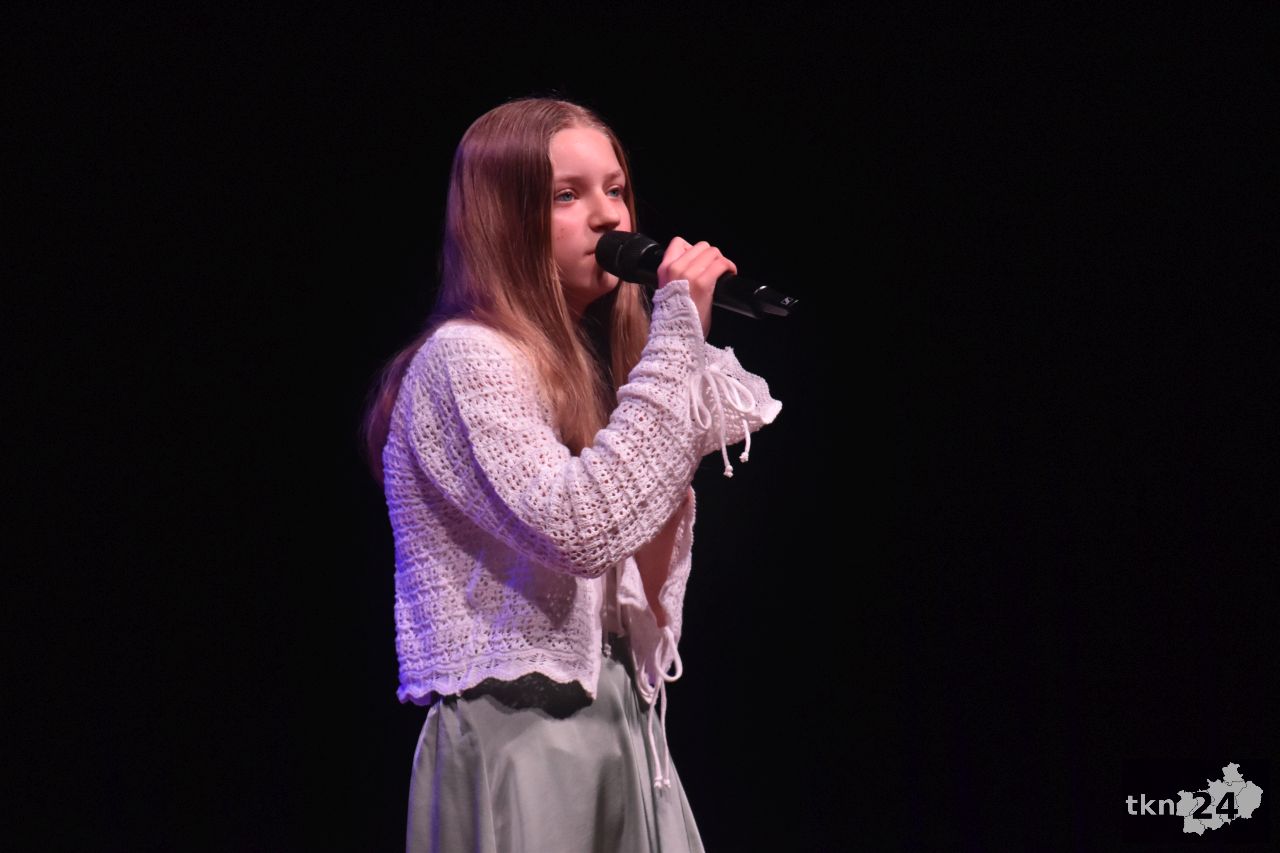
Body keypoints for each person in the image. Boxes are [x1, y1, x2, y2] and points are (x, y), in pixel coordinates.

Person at [361, 96, 782, 853]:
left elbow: (638, 583)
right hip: (524, 743)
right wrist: (677, 343)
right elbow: (582, 529)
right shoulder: (465, 357)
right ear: (501, 219)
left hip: (618, 732)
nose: (608, 216)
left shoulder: (589, 373)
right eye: (567, 194)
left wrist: (674, 387)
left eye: (615, 189)